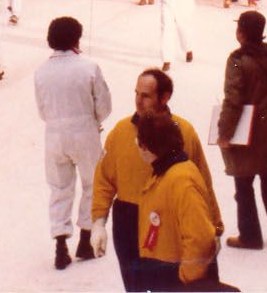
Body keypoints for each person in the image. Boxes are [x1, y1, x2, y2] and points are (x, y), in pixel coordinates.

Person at [91, 68, 223, 290]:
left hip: (168, 222)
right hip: (129, 218)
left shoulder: (185, 132)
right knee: (137, 285)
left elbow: (202, 184)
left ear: (165, 97)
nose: (138, 102)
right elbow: (104, 179)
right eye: (136, 94)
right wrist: (98, 222)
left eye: (146, 96)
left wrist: (215, 227)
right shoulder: (121, 132)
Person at [34, 15, 113, 270]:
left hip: (54, 134)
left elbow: (42, 110)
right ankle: (86, 239)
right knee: (92, 184)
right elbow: (104, 105)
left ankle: (60, 245)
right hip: (85, 132)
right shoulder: (89, 66)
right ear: (76, 39)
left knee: (59, 188)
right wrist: (94, 121)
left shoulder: (41, 71)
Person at [217, 9, 267, 250]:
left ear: (240, 34)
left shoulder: (238, 61)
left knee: (243, 183)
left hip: (246, 129)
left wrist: (224, 133)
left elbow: (233, 101)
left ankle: (250, 236)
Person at [131, 112, 222, 291]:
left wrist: (186, 279)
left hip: (181, 281)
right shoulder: (164, 172)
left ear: (145, 146)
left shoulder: (181, 180)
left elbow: (201, 238)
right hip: (167, 274)